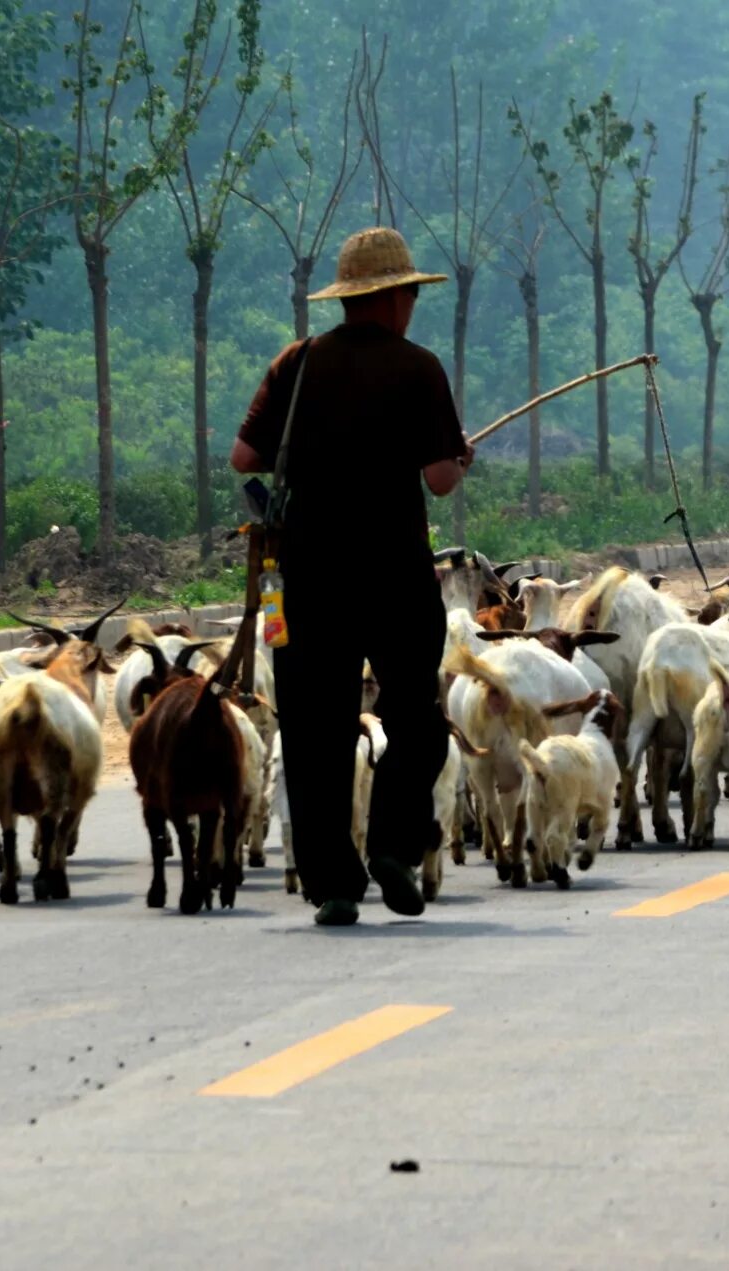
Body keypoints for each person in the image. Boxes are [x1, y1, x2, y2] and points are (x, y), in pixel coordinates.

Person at [230, 227, 473, 927]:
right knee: (415, 718)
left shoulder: (296, 362)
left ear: (348, 298)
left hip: (308, 580)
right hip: (395, 575)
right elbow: (440, 479)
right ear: (395, 297)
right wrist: (460, 456)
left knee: (314, 732)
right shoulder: (419, 368)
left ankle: (334, 882)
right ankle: (395, 844)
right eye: (410, 295)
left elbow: (244, 457)